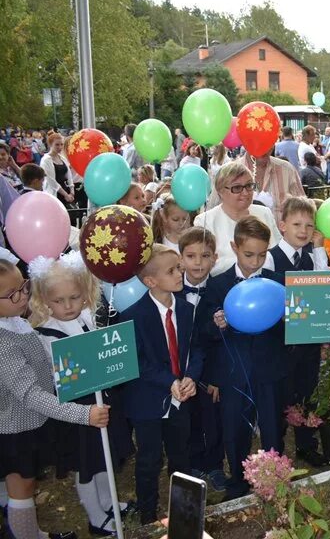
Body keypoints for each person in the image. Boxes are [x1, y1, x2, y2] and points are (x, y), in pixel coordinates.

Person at [0, 259, 110, 539]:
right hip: (15, 429)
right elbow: (30, 394)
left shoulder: (15, 322)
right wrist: (83, 415)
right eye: (13, 294)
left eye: (23, 287)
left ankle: (33, 532)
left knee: (25, 484)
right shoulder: (4, 343)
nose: (23, 295)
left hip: (29, 424)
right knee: (21, 488)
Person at [29, 252, 134, 536]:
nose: (67, 306)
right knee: (86, 463)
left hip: (102, 400)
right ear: (45, 300)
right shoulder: (47, 333)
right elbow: (58, 375)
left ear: (84, 292)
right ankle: (95, 516)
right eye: (58, 301)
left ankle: (107, 500)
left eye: (74, 297)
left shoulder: (88, 316)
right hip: (79, 410)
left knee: (103, 455)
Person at [195, 217, 288, 499]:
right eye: (249, 254)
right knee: (234, 431)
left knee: (273, 428)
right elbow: (203, 332)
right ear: (234, 247)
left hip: (269, 370)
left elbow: (290, 327)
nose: (255, 261)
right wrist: (216, 323)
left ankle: (273, 481)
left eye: (262, 254)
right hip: (233, 374)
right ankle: (238, 480)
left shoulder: (276, 283)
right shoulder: (218, 285)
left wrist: (286, 315)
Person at [119, 244, 202, 524]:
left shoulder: (188, 309)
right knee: (149, 460)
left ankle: (185, 512)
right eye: (172, 270)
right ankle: (147, 515)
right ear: (150, 281)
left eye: (179, 267)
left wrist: (191, 376)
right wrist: (170, 382)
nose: (181, 273)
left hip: (181, 397)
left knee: (181, 454)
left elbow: (197, 348)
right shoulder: (132, 316)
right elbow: (138, 362)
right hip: (148, 401)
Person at [265, 197, 330, 467]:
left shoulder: (311, 256)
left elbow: (324, 282)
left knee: (307, 391)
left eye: (309, 225)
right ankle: (276, 445)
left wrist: (318, 250)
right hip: (279, 341)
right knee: (282, 394)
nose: (303, 231)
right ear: (282, 225)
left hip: (307, 340)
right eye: (296, 224)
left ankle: (306, 443)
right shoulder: (270, 257)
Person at [173, 227, 227, 492]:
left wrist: (216, 378)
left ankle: (215, 463)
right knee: (187, 420)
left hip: (210, 370)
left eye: (205, 256)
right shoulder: (171, 289)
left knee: (213, 418)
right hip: (178, 370)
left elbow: (222, 343)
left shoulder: (220, 290)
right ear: (180, 258)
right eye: (191, 256)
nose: (198, 262)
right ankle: (193, 463)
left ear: (214, 258)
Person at [193, 162, 282, 276]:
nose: (245, 193)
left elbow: (279, 254)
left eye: (249, 185)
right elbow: (204, 264)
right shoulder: (205, 221)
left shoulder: (265, 213)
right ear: (220, 191)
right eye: (237, 188)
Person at [233, 150, 305, 229]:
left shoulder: (287, 170)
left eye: (268, 141)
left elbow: (304, 211)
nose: (264, 147)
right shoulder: (229, 173)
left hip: (282, 238)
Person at [40, 133, 75, 205]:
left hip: (65, 190)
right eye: (57, 145)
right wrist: (66, 194)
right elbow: (51, 181)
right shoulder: (46, 160)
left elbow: (69, 175)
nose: (60, 147)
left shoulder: (62, 158)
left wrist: (72, 191)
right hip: (53, 193)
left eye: (62, 144)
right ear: (50, 145)